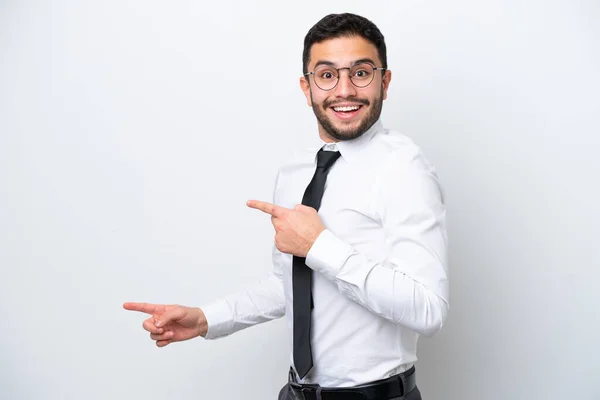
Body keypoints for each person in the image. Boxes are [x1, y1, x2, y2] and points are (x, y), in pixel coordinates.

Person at [124, 12, 449, 400]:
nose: (344, 90)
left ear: (385, 81)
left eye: (361, 72)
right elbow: (292, 284)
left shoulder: (404, 168)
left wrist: (319, 246)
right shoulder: (296, 170)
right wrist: (206, 318)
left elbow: (428, 309)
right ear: (306, 87)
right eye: (327, 75)